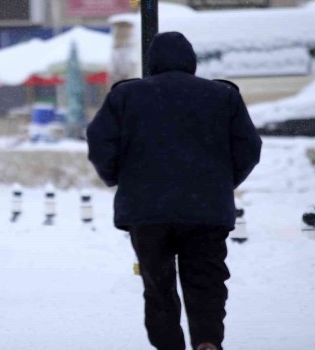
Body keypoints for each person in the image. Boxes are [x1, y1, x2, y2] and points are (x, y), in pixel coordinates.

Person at [86, 32, 262, 350]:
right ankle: (207, 340)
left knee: (158, 285)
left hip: (146, 210)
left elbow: (101, 142)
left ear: (152, 63)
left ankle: (169, 344)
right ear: (191, 62)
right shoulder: (222, 95)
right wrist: (223, 181)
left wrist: (118, 177)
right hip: (206, 210)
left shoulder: (126, 96)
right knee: (206, 279)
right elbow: (248, 147)